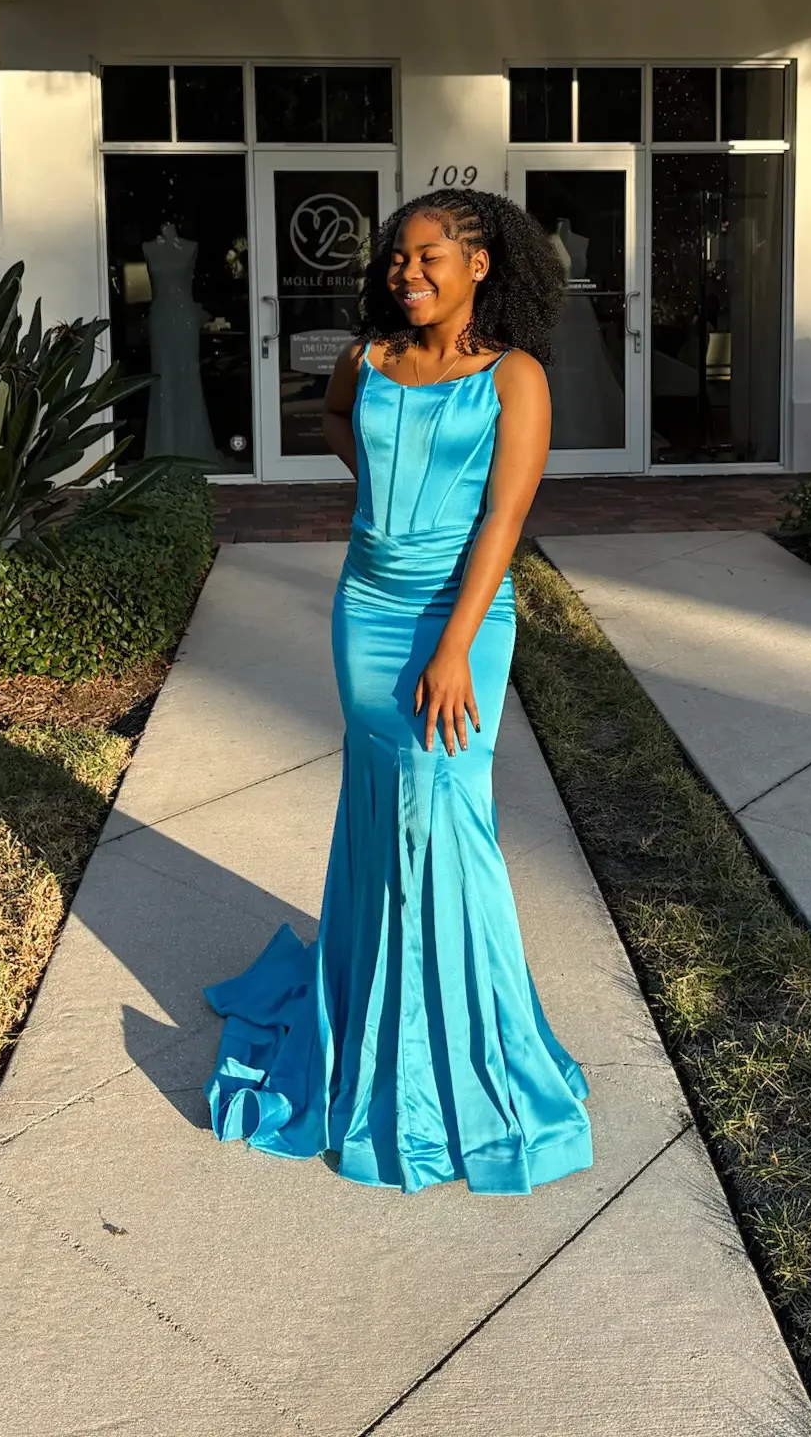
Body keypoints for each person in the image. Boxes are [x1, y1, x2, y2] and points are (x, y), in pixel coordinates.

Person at [201, 187, 595, 1194]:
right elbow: (339, 418)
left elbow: (504, 526)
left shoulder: (516, 379)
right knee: (384, 805)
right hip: (366, 613)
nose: (405, 274)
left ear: (480, 265)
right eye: (396, 258)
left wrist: (456, 645)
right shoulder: (367, 362)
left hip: (459, 615)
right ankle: (376, 1012)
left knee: (448, 810)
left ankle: (465, 1054)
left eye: (428, 258)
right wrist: (371, 483)